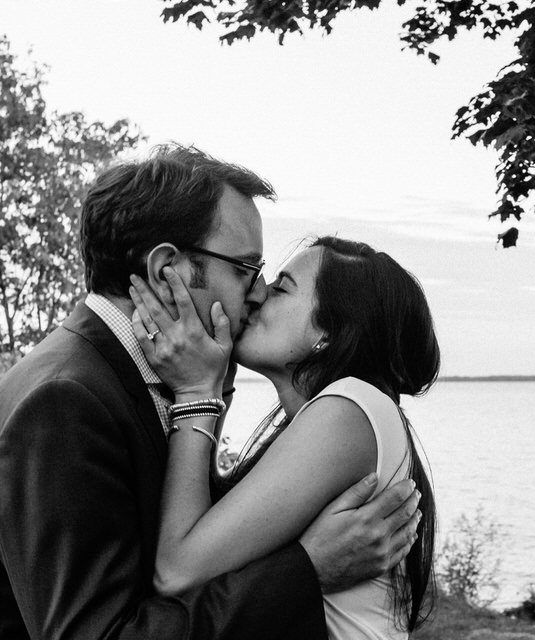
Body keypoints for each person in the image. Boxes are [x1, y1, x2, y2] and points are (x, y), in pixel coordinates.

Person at [0, 146, 420, 640]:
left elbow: (191, 554)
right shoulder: (66, 399)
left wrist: (207, 389)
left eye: (272, 279)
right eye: (244, 268)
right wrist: (307, 570)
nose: (258, 289)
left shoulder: (133, 379)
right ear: (166, 272)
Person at [127, 235, 440, 639]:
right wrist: (216, 386)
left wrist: (196, 393)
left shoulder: (350, 408)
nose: (257, 295)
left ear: (329, 332)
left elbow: (178, 572)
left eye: (281, 287)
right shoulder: (333, 417)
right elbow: (208, 533)